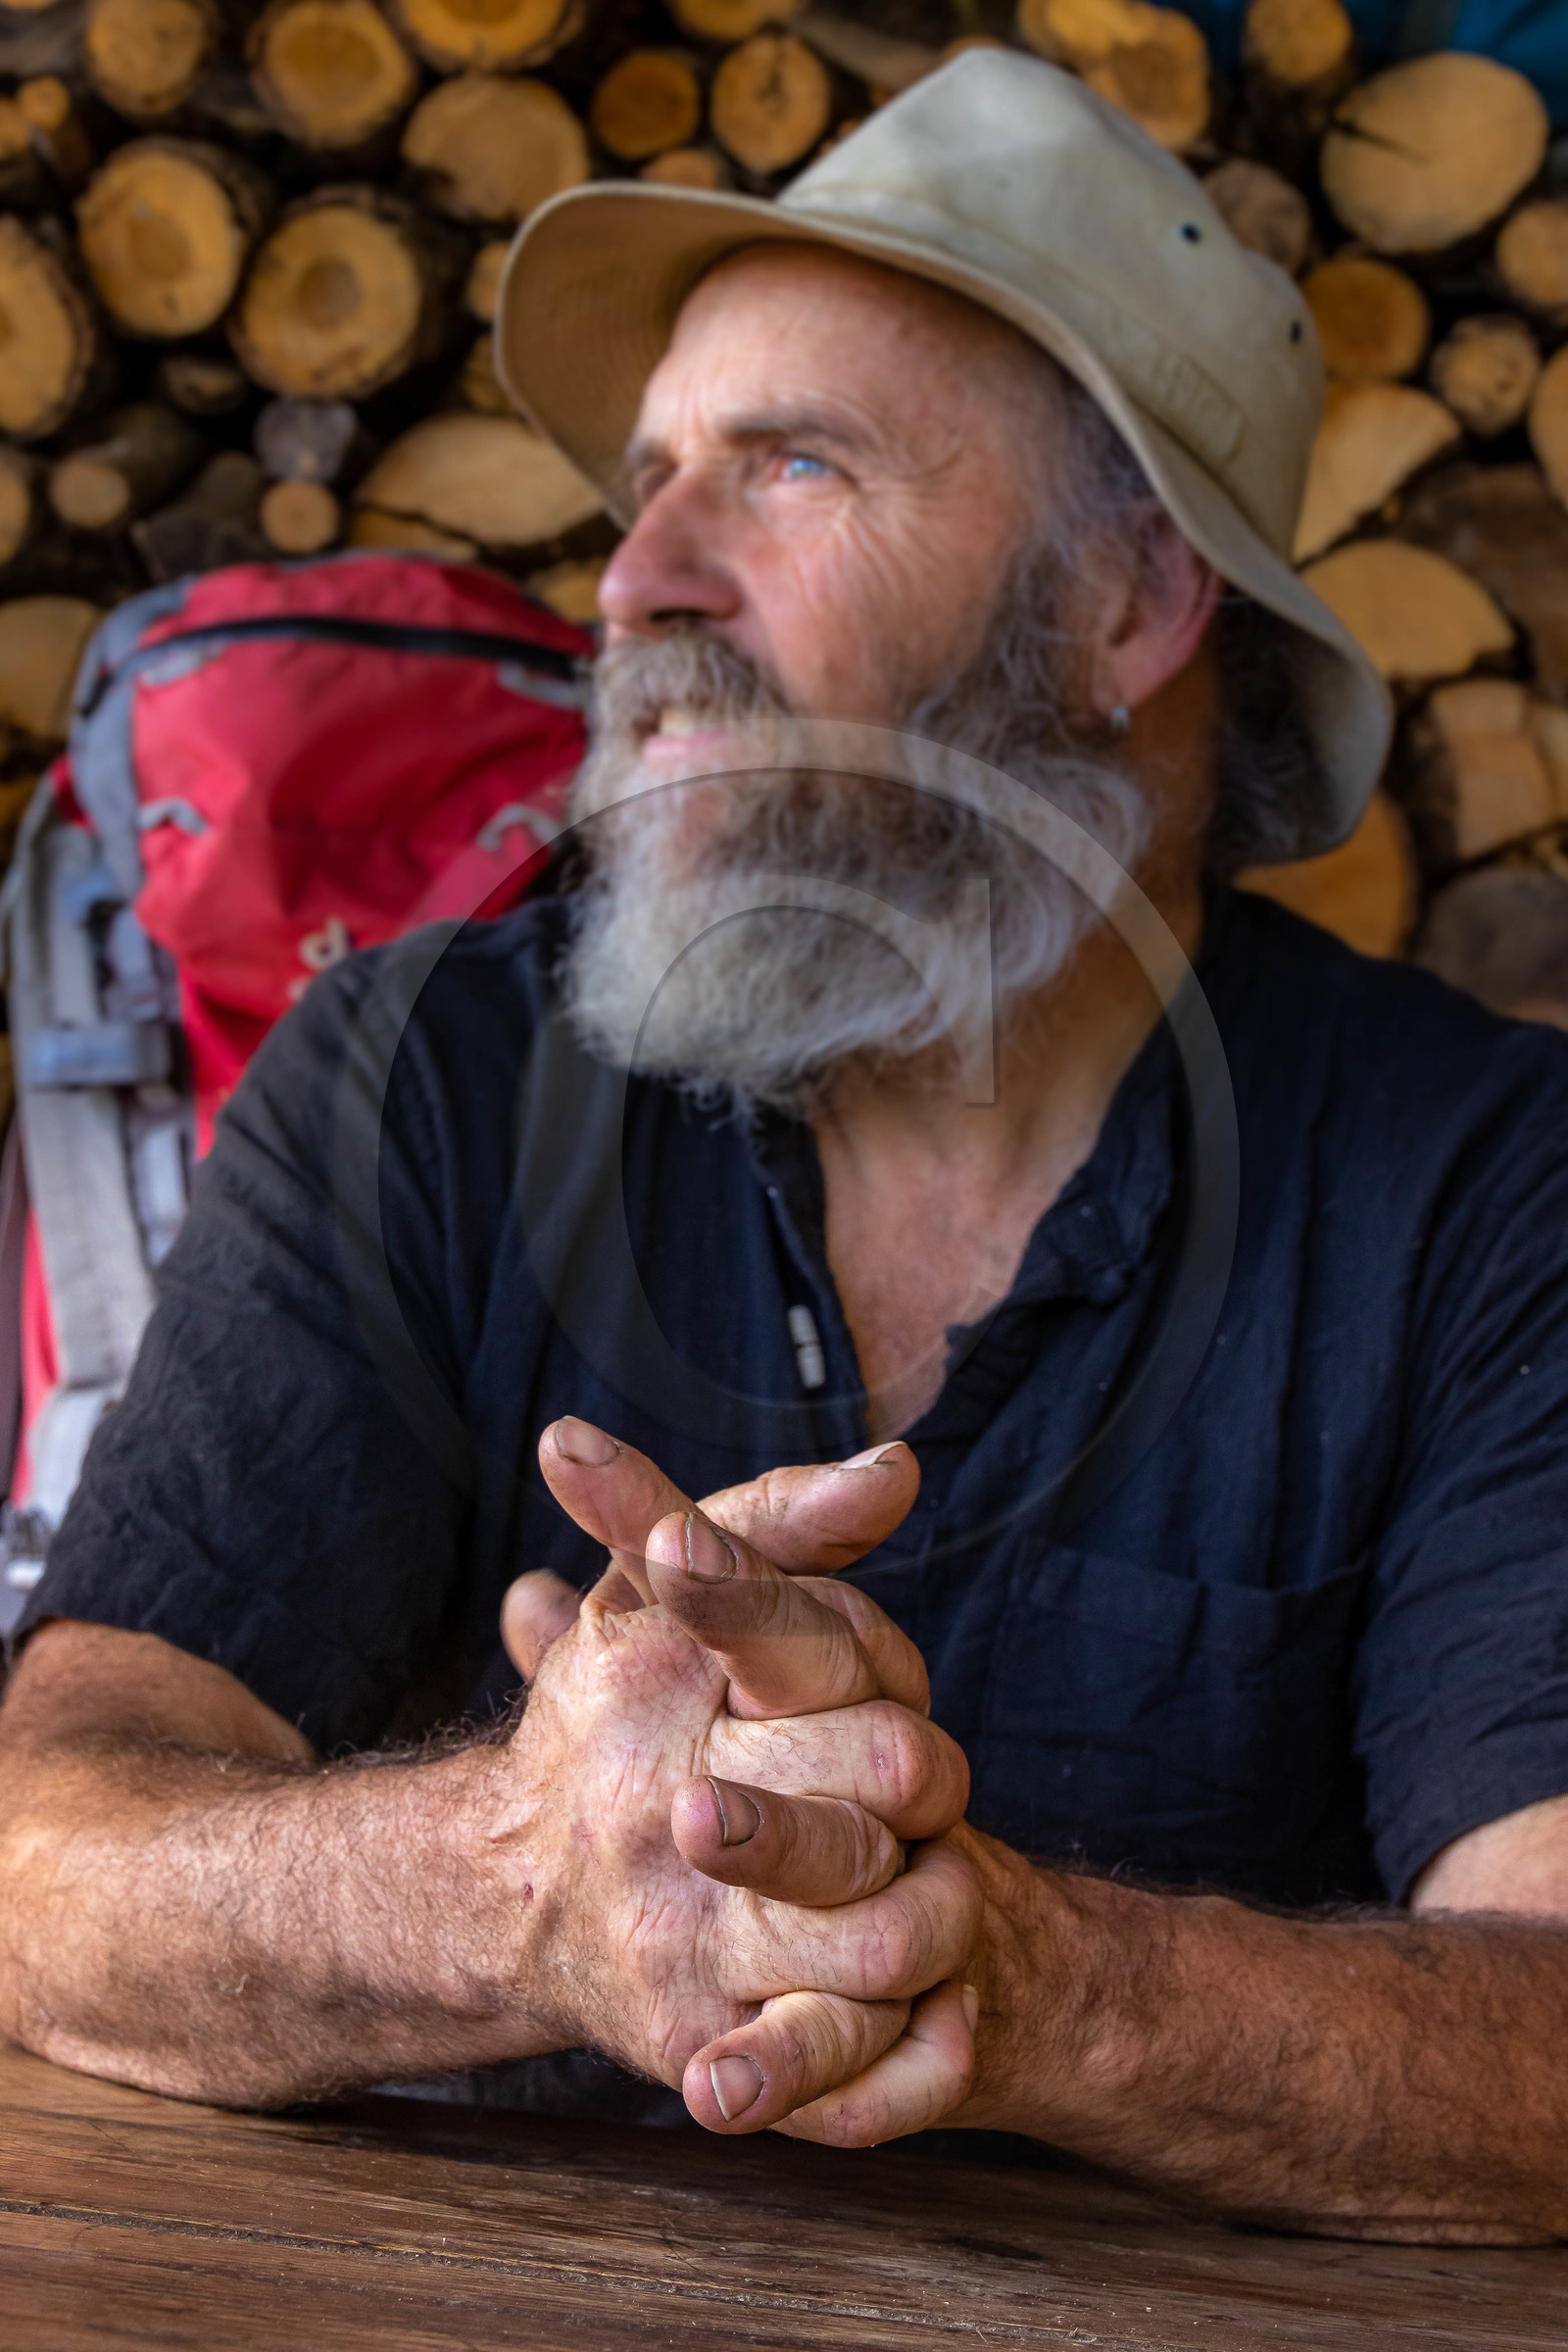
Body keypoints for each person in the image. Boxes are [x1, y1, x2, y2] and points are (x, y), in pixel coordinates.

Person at [4, 52, 1568, 2239]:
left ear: (1127, 605)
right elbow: (33, 1863)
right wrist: (518, 1888)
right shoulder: (422, 1073)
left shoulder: (1490, 1185)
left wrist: (1006, 1978)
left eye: (789, 467)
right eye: (645, 484)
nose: (638, 575)